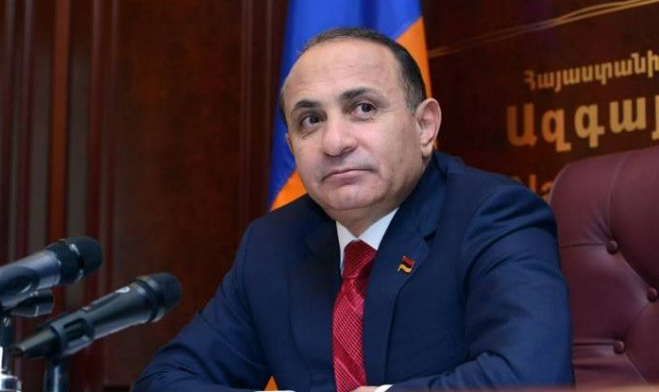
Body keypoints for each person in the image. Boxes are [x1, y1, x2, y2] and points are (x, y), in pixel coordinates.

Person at [132, 27, 573, 392]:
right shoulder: (272, 244)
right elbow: (164, 380)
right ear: (292, 147)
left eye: (363, 108)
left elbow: (531, 379)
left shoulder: (493, 216)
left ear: (424, 126)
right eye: (311, 120)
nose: (335, 142)